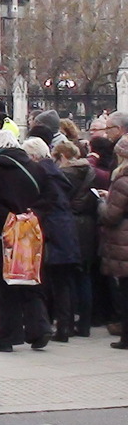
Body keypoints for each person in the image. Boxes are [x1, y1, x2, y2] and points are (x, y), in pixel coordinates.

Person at [0, 129, 52, 352]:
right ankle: (39, 328)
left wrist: (10, 219)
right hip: (30, 232)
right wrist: (31, 215)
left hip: (0, 234)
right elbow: (51, 197)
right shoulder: (36, 168)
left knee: (4, 282)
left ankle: (8, 335)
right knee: (30, 278)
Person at [22, 137, 80, 343]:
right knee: (63, 282)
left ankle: (58, 327)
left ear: (34, 156)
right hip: (65, 229)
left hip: (52, 231)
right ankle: (65, 326)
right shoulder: (56, 171)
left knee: (52, 281)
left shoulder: (42, 173)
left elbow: (47, 202)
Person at [54, 139, 99, 337]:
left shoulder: (64, 175)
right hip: (88, 226)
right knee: (84, 275)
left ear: (62, 157)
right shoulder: (89, 172)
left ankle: (68, 322)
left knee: (68, 277)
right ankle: (85, 324)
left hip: (69, 225)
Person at [97, 134, 128, 349]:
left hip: (123, 240)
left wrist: (102, 203)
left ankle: (126, 336)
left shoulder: (122, 180)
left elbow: (111, 215)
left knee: (125, 289)